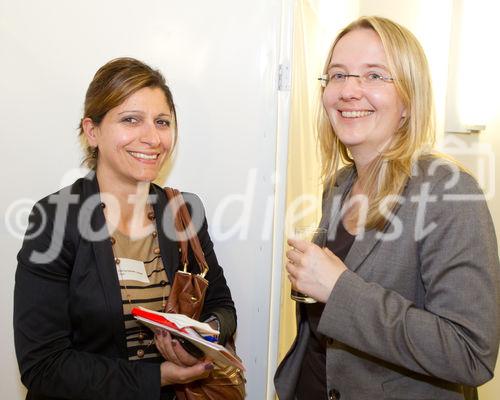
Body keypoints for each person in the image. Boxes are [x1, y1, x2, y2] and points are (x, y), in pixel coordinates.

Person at [275, 16, 500, 400]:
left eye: (375, 76)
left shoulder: (449, 192)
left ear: (409, 101)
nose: (349, 91)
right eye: (338, 75)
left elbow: (470, 354)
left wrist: (339, 289)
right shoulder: (339, 186)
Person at [14, 57, 237, 400]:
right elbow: (43, 364)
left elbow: (221, 304)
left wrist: (204, 336)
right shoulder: (55, 219)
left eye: (162, 122)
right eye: (131, 119)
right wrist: (157, 377)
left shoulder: (184, 211)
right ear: (92, 131)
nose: (152, 137)